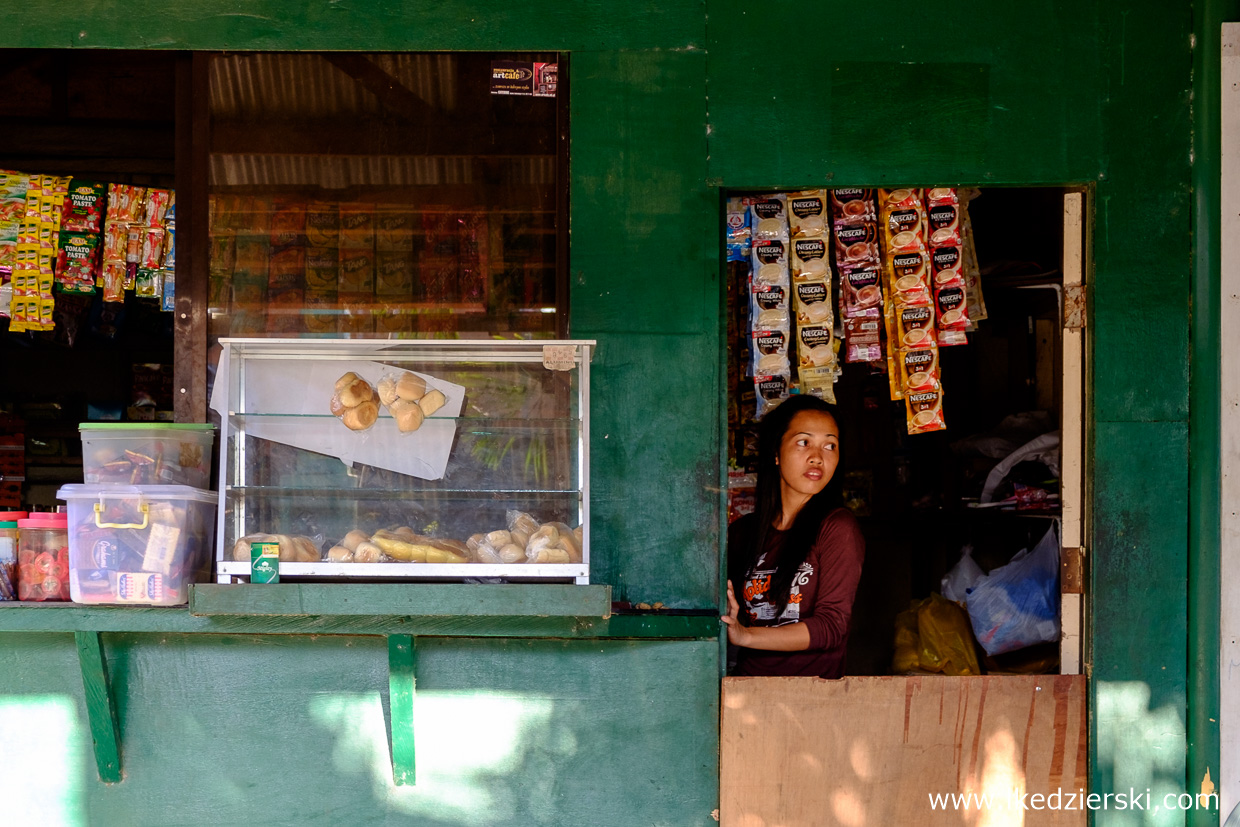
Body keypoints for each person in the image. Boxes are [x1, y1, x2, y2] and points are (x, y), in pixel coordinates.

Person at [721, 394, 865, 678]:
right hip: (746, 691)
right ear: (776, 452)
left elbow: (832, 627)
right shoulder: (742, 534)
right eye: (804, 442)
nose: (817, 456)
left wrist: (747, 635)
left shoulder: (837, 528)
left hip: (811, 701)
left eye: (830, 445)